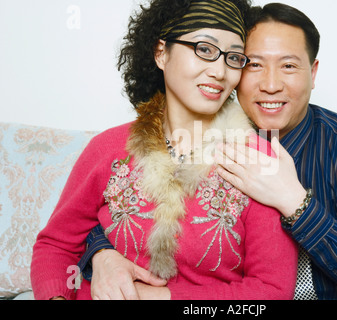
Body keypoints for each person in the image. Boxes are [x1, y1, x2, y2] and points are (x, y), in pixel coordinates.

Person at [78, 3, 337, 300]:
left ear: (313, 73)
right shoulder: (199, 135)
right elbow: (121, 202)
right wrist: (101, 253)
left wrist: (295, 203)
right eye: (254, 65)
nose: (271, 84)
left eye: (288, 66)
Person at [30, 0, 299, 300]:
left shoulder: (255, 159)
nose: (220, 72)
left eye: (233, 57)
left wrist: (161, 298)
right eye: (205, 50)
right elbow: (56, 246)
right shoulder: (107, 148)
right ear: (161, 53)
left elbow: (271, 291)